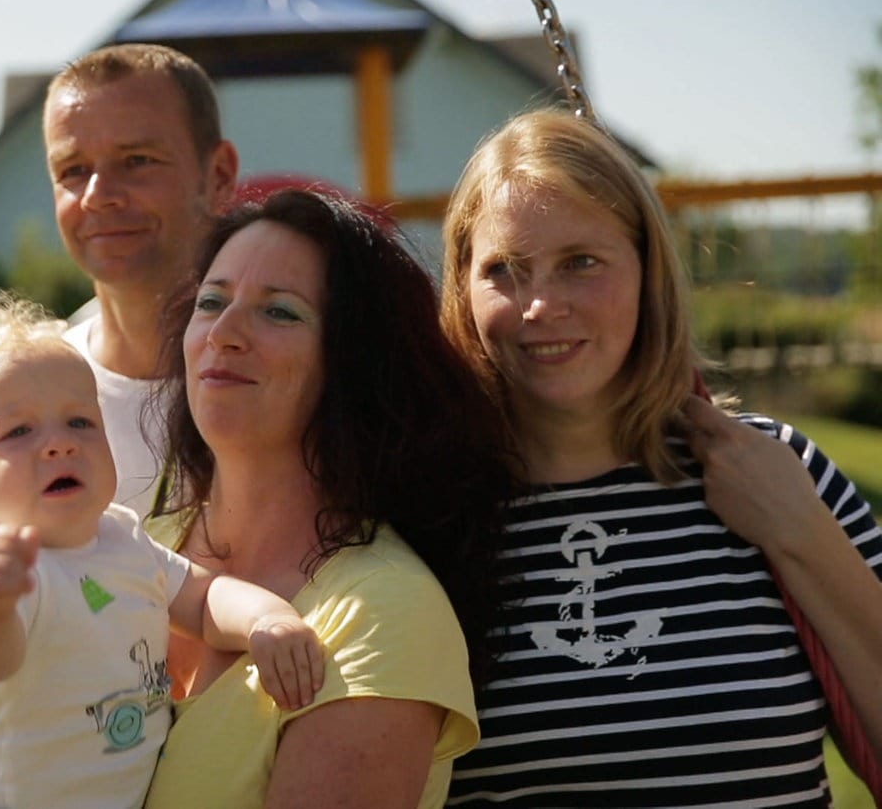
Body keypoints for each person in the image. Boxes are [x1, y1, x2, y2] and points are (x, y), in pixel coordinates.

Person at [439, 109, 882, 805]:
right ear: (463, 292)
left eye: (581, 262)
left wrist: (801, 532)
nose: (541, 305)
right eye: (505, 270)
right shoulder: (431, 519)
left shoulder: (775, 468)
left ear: (649, 273)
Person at [142, 188, 518, 808]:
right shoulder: (132, 548)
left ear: (352, 364)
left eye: (280, 313)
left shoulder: (383, 611)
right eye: (212, 302)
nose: (225, 333)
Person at [0, 292, 325, 809]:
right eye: (18, 432)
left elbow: (199, 596)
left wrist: (266, 618)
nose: (60, 444)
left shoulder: (121, 538)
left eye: (81, 422)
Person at [43, 42, 240, 516]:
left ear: (218, 176)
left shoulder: (292, 376)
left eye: (137, 161)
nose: (98, 196)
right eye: (73, 170)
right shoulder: (28, 394)